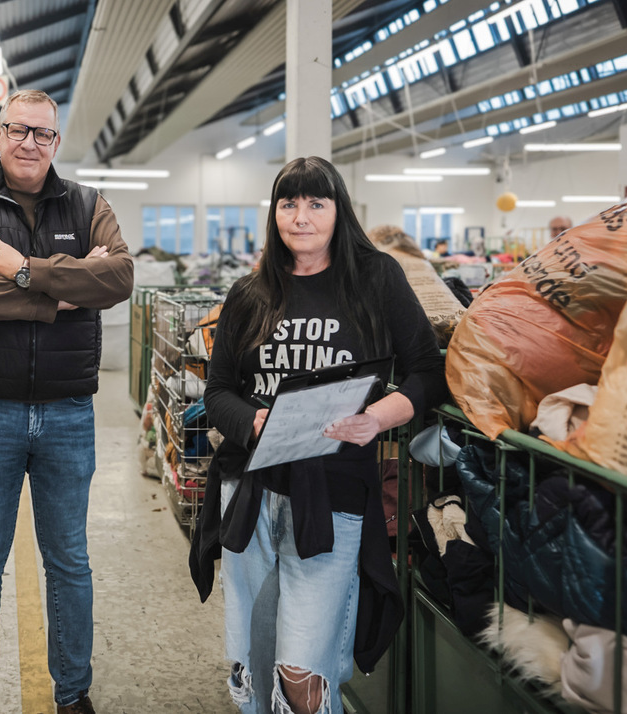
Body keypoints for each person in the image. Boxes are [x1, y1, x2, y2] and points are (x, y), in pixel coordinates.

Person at [188, 157, 446, 714]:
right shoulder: (250, 293)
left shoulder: (376, 279)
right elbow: (219, 391)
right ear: (274, 213)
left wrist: (377, 418)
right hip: (251, 493)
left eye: (315, 203)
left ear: (338, 211)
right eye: (289, 203)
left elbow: (428, 371)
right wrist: (254, 421)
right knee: (256, 660)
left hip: (333, 495)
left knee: (302, 669)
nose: (300, 216)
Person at [0, 88, 134, 714]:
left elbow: (120, 277)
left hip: (69, 410)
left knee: (69, 561)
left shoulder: (89, 203)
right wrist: (66, 288)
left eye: (42, 133)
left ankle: (73, 694)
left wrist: (25, 270)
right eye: (18, 130)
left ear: (55, 141)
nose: (30, 143)